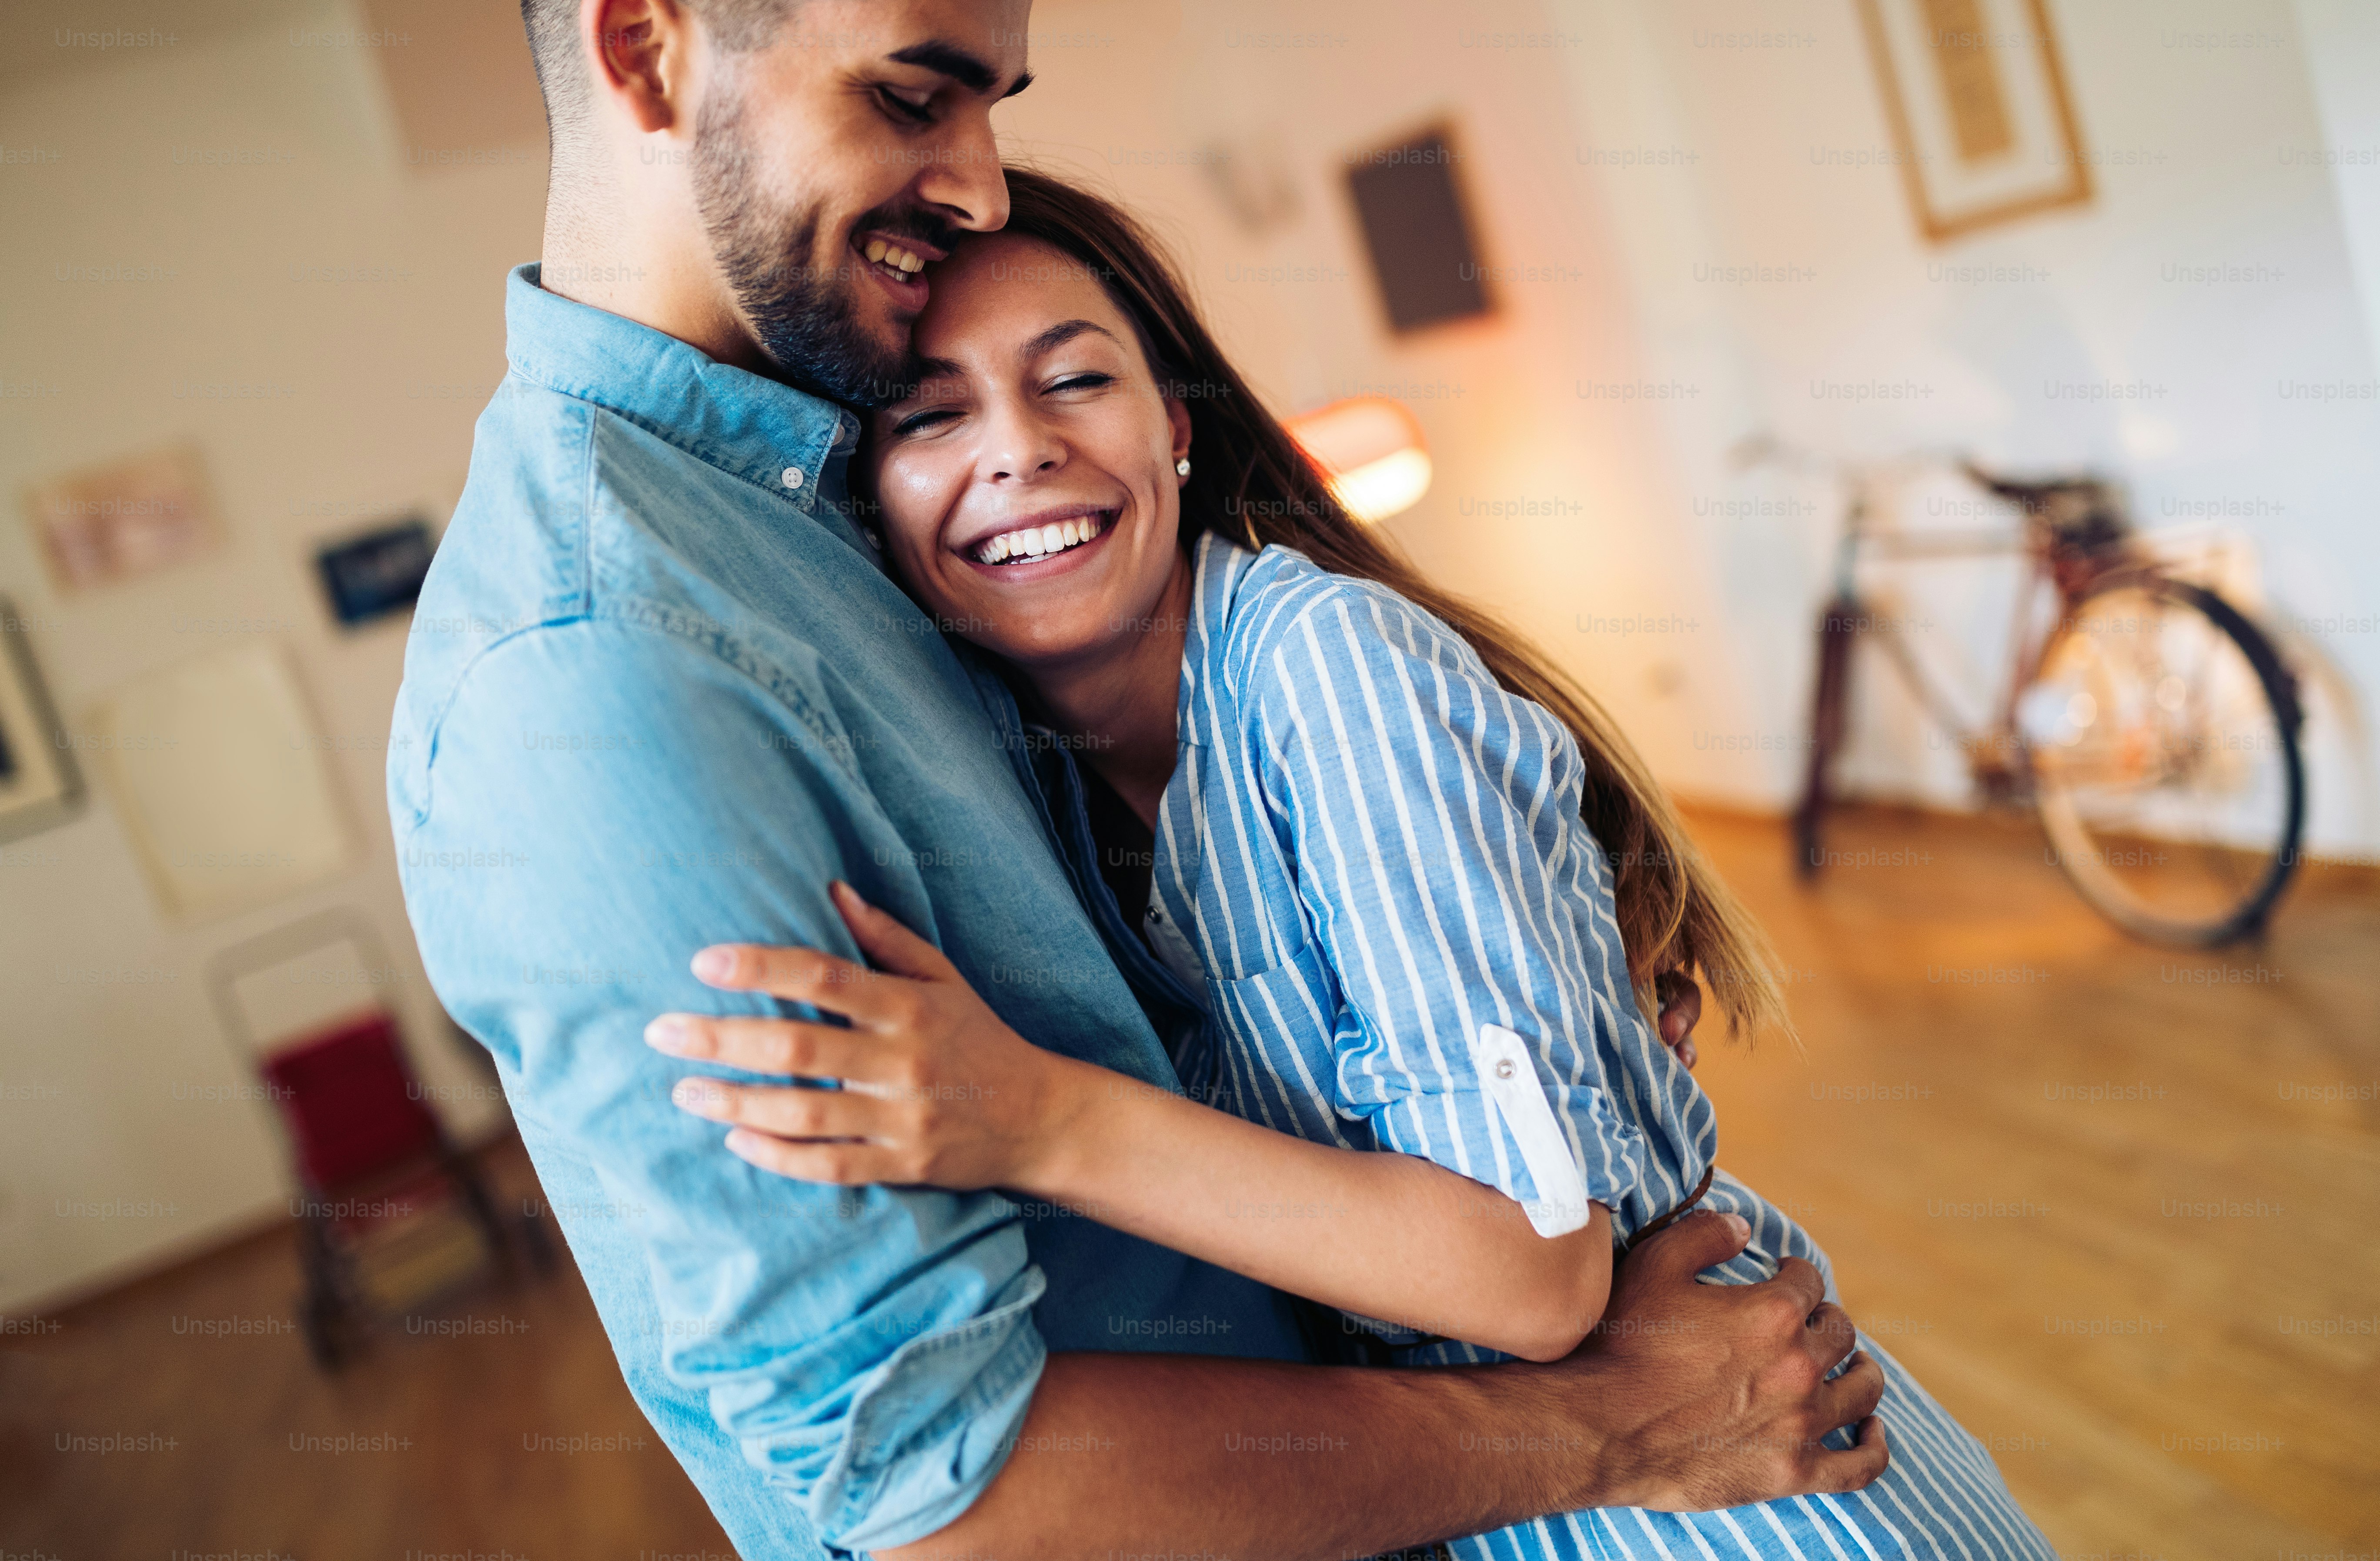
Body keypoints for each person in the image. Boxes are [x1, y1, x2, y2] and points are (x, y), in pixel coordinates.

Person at [391, 1, 1889, 1557]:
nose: (979, 184)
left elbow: (1486, 1192)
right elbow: (946, 1494)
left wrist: (1515, 953)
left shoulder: (819, 514)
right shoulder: (601, 661)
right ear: (642, 45)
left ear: (1172, 425)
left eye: (993, 106)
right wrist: (1607, 1424)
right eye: (912, 95)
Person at [650, 171, 2056, 1557]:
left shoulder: (1328, 666)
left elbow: (1532, 1265)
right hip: (1487, 1487)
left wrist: (1034, 1117)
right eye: (932, 415)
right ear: (872, 501)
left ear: (1176, 426)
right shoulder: (1035, 787)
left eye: (1075, 380)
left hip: (1726, 1481)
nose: (1018, 450)